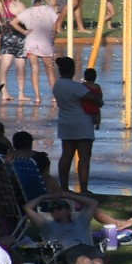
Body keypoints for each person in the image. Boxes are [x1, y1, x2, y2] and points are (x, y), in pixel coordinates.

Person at [24, 191, 118, 264]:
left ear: (68, 210)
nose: (55, 210)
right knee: (84, 260)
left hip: (88, 247)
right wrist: (44, 196)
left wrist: (68, 195)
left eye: (59, 207)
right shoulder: (46, 225)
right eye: (52, 209)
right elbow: (27, 207)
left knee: (98, 261)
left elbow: (93, 203)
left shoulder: (81, 221)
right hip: (68, 251)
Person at [52, 56, 97, 192]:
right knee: (84, 157)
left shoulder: (57, 85)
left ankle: (64, 187)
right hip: (82, 123)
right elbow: (97, 100)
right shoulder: (77, 87)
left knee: (66, 155)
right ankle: (83, 188)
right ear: (72, 70)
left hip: (65, 123)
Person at [10, 0, 60, 103]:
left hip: (31, 42)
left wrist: (24, 31)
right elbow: (55, 28)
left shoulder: (27, 12)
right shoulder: (49, 10)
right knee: (50, 70)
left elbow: (13, 22)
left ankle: (37, 97)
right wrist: (53, 39)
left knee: (34, 69)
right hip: (46, 42)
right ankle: (55, 96)